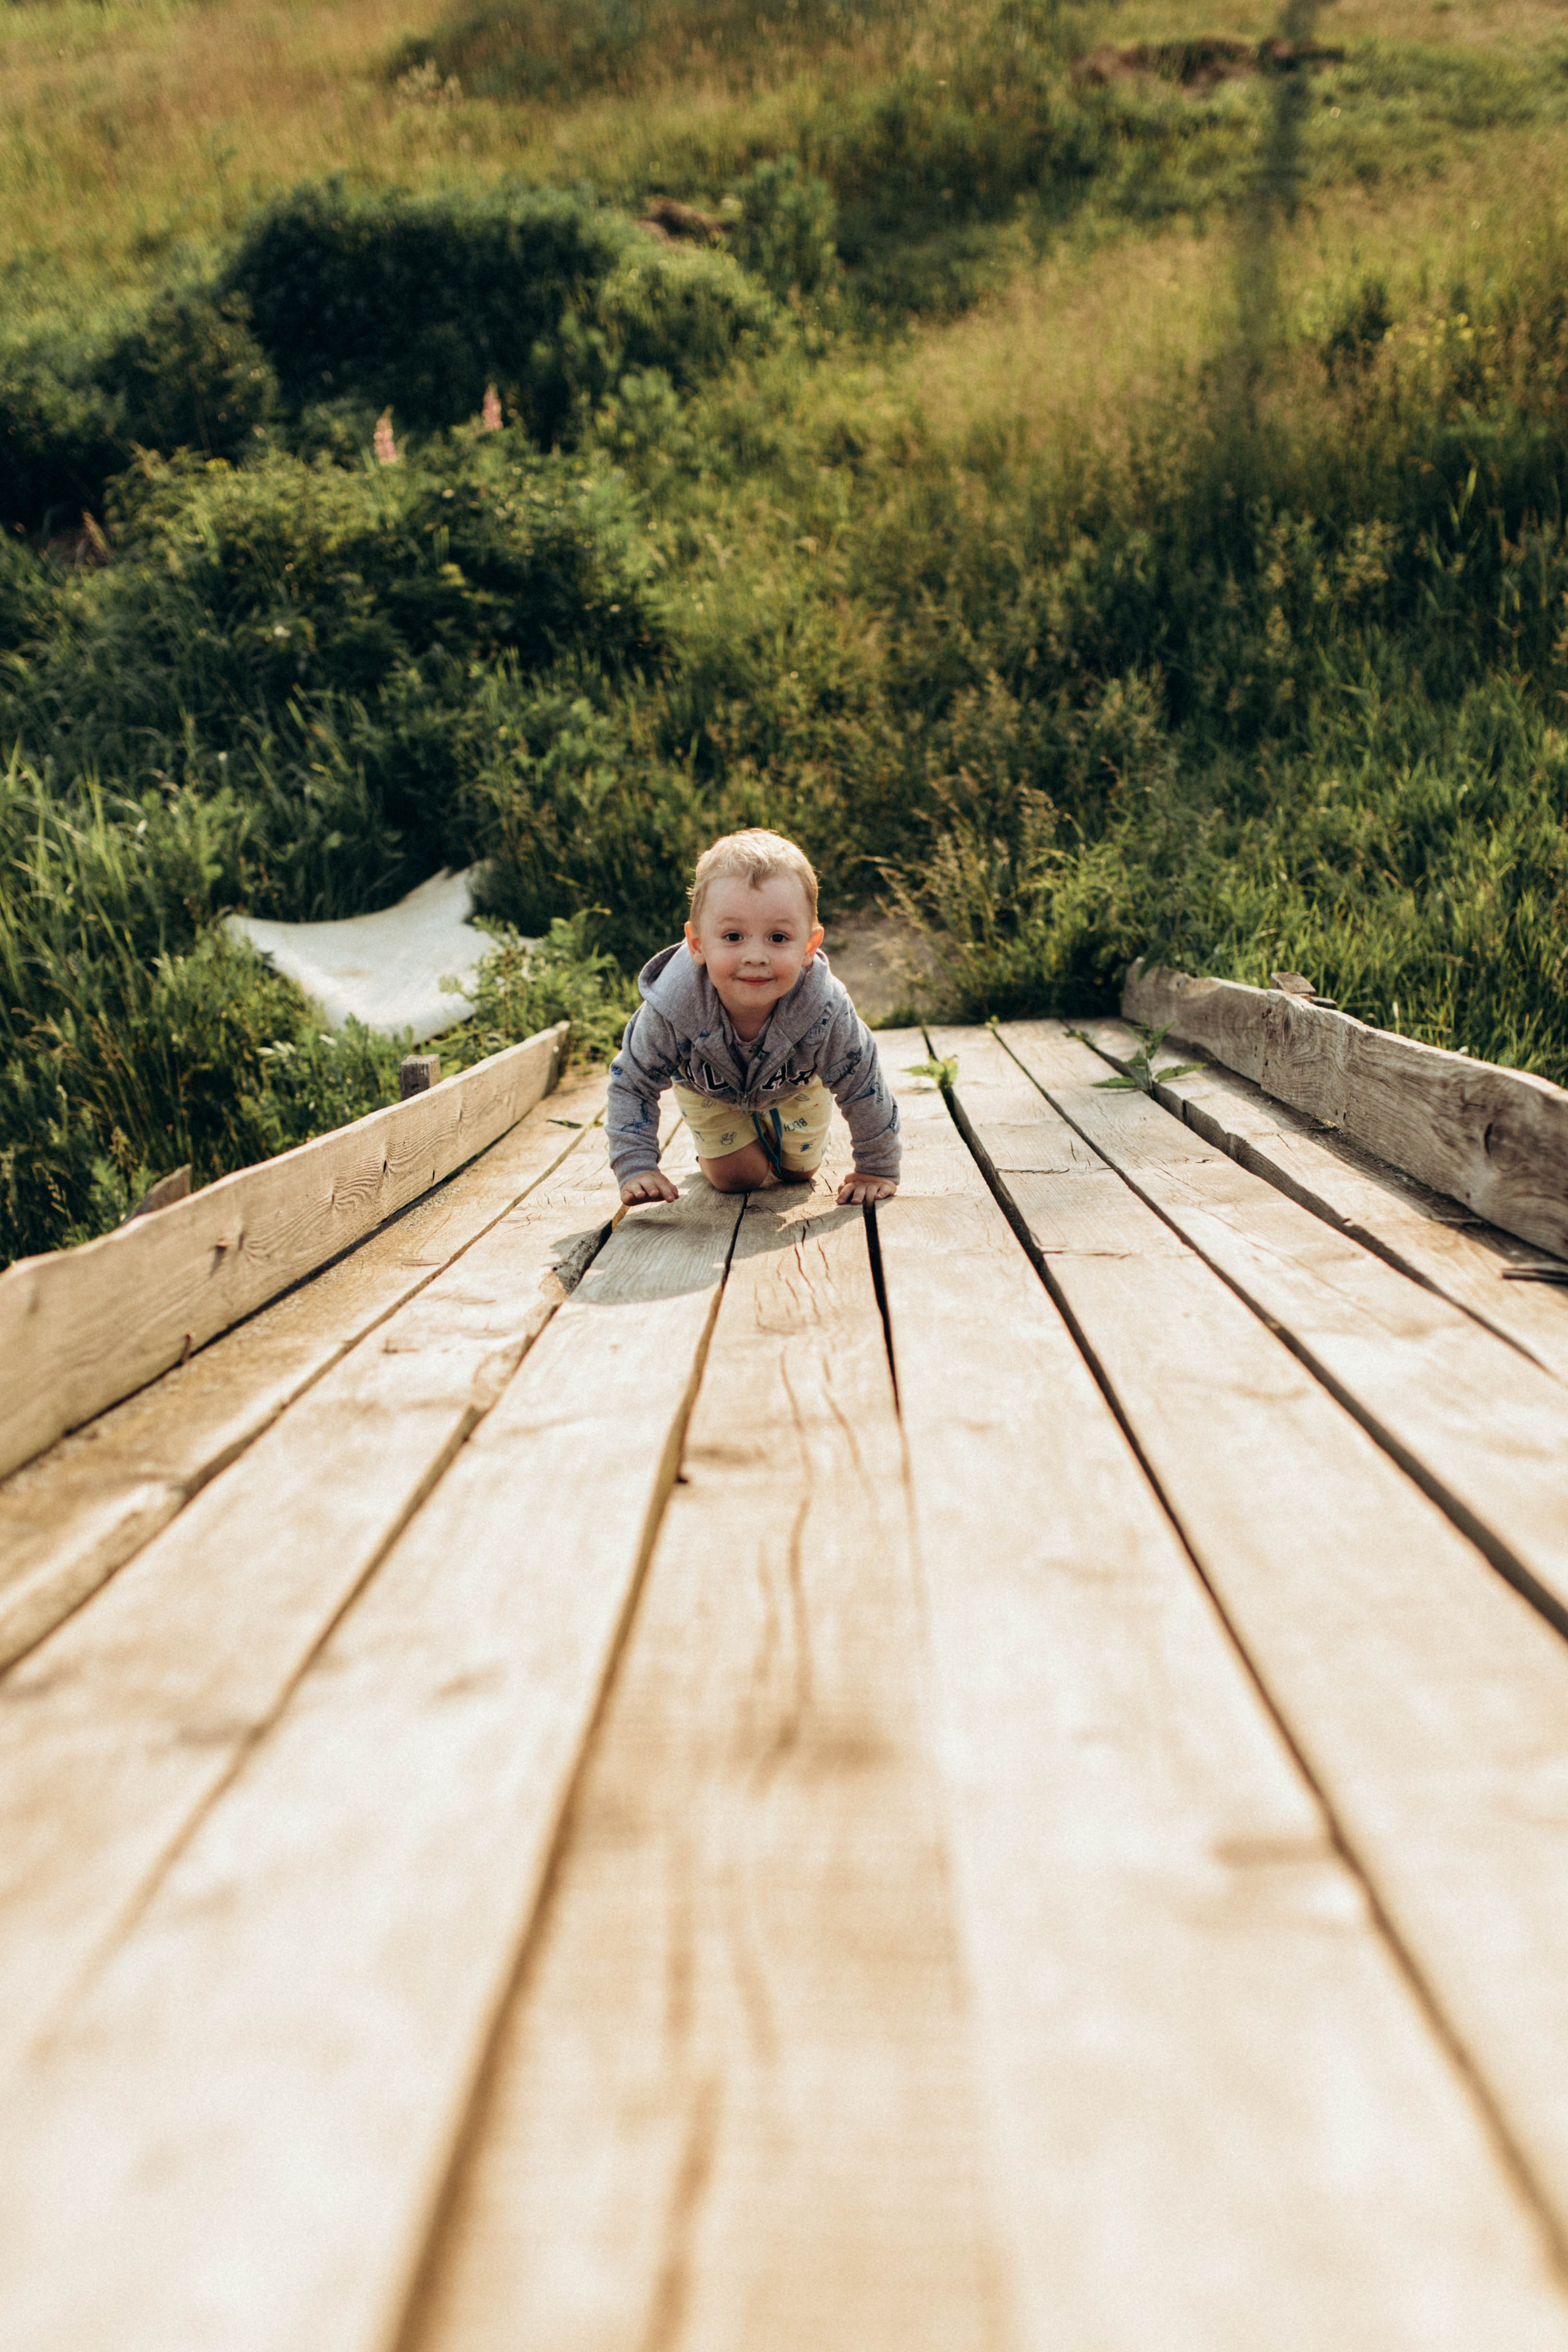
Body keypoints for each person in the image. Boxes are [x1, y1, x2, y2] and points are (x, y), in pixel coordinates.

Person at [606, 829, 900, 1209]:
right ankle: (722, 1153)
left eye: (778, 938)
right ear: (698, 944)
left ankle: (786, 1142)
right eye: (733, 936)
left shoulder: (824, 1010)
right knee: (738, 1179)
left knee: (798, 1173)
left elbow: (863, 1083)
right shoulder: (673, 1009)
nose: (755, 956)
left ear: (809, 946)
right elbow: (632, 1081)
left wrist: (876, 1169)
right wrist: (637, 1166)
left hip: (796, 1086)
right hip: (709, 1092)